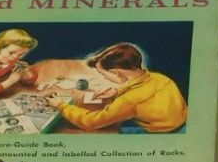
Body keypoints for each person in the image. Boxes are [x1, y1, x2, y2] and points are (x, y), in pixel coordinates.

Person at [46, 42, 187, 133]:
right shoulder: (160, 78)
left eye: (103, 74)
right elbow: (143, 88)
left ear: (114, 72)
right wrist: (116, 91)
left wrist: (60, 105)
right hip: (182, 123)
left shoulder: (129, 100)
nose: (105, 79)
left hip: (163, 134)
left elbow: (91, 122)